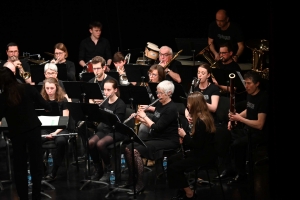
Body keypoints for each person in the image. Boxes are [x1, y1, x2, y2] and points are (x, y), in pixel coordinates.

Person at [0, 67, 51, 200]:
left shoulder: (3, 97)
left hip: (16, 133)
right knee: (36, 164)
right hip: (33, 130)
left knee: (19, 166)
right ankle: (36, 195)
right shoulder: (27, 88)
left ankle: (23, 197)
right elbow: (45, 104)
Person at [123, 80, 180, 194]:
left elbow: (157, 127)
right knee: (128, 147)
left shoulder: (171, 109)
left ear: (169, 93)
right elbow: (154, 120)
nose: (158, 95)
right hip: (156, 137)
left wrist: (145, 115)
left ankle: (140, 183)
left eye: (160, 93)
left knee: (135, 151)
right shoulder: (160, 103)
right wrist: (141, 118)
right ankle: (131, 178)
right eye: (157, 92)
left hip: (168, 140)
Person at [216, 71, 268, 185]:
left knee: (237, 144)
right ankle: (229, 168)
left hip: (258, 134)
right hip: (247, 129)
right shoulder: (250, 94)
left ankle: (242, 174)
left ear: (257, 83)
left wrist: (240, 119)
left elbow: (260, 124)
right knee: (224, 136)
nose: (246, 86)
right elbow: (249, 109)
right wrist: (235, 117)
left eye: (249, 83)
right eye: (245, 83)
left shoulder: (263, 99)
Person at [168, 91, 216, 200]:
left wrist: (184, 136)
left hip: (203, 156)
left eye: (189, 103)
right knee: (172, 159)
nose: (187, 105)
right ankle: (181, 188)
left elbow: (197, 145)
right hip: (201, 152)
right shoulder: (203, 117)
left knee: (174, 167)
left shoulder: (200, 122)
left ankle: (189, 193)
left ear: (195, 104)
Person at [88, 78, 126, 182]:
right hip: (104, 129)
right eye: (104, 90)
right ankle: (98, 169)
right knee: (90, 142)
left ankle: (108, 169)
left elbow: (117, 123)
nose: (106, 92)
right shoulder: (104, 102)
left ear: (115, 90)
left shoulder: (120, 104)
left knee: (100, 144)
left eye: (109, 90)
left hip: (116, 131)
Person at [40, 77, 69, 181]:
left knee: (61, 141)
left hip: (60, 128)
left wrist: (55, 133)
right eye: (47, 88)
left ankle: (54, 171)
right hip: (45, 128)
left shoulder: (62, 100)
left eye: (51, 88)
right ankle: (42, 170)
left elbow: (65, 120)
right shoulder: (42, 100)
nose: (49, 91)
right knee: (33, 141)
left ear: (56, 88)